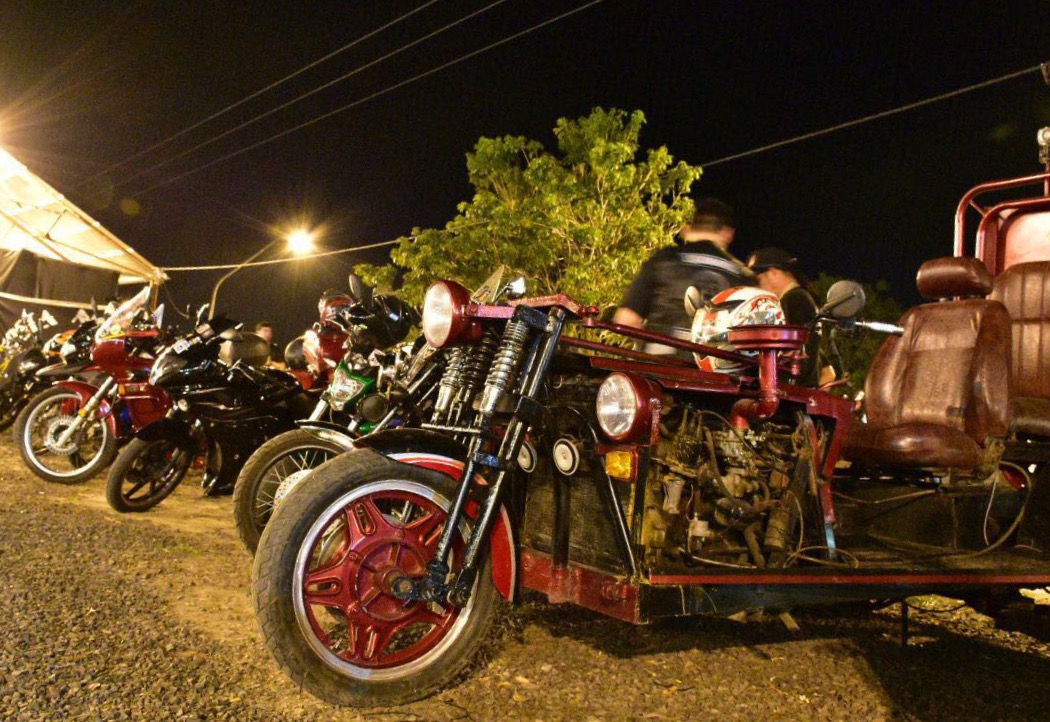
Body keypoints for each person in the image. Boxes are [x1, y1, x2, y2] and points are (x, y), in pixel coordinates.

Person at [614, 197, 752, 358]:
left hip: (659, 366)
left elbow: (625, 319)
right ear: (729, 233)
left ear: (687, 229)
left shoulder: (664, 259)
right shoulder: (742, 275)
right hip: (716, 372)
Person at [746, 247, 828, 387]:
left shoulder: (793, 299)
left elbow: (792, 354)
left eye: (758, 279)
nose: (756, 286)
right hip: (799, 392)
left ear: (773, 273)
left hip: (790, 391)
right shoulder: (802, 297)